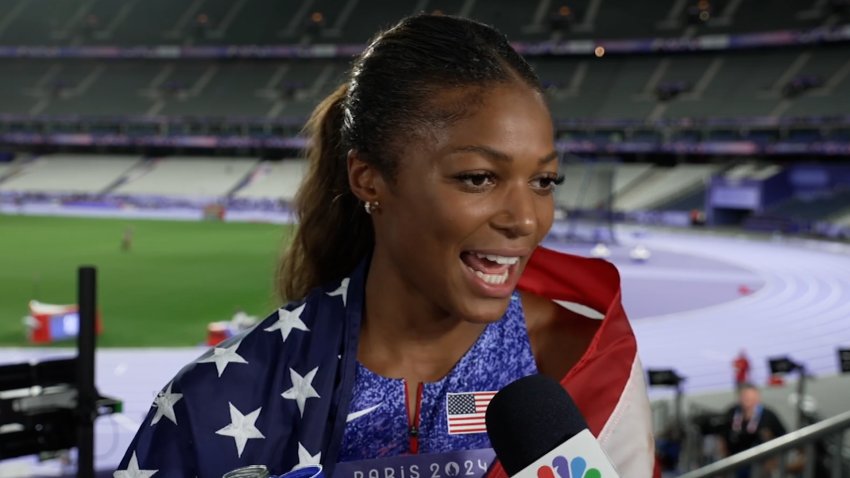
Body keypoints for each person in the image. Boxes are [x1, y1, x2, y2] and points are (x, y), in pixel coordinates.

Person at [114, 14, 656, 478]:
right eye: (477, 178)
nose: (526, 220)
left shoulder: (587, 362)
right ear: (369, 179)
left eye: (544, 182)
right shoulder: (220, 397)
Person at [719, 383, 787, 478]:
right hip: (734, 461)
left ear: (758, 398)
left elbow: (783, 436)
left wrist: (773, 459)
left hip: (760, 463)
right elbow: (721, 435)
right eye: (745, 397)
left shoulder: (768, 415)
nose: (748, 400)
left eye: (752, 397)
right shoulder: (732, 412)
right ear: (740, 398)